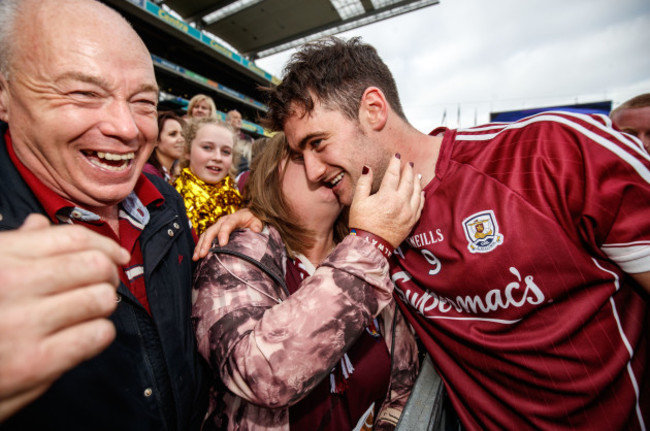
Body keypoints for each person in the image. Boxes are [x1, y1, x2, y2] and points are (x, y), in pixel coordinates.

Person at [200, 37, 650, 430]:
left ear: (374, 110)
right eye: (299, 154)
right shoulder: (368, 237)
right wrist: (257, 215)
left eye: (318, 143)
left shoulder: (552, 154)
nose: (315, 171)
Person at [0, 0, 206, 429]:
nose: (127, 128)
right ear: (5, 95)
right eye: (84, 93)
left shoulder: (165, 204)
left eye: (144, 102)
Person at [193, 132, 421, 430]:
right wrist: (368, 247)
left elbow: (404, 382)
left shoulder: (374, 256)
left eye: (326, 151)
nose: (321, 165)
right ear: (273, 172)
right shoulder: (233, 255)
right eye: (301, 156)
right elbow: (261, 375)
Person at [175, 117, 242, 236]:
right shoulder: (171, 199)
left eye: (226, 151)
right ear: (187, 151)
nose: (217, 157)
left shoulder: (239, 203)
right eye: (207, 147)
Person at [143, 111, 185, 183]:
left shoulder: (172, 174)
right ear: (156, 140)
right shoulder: (148, 172)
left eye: (182, 134)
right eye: (172, 134)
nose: (181, 139)